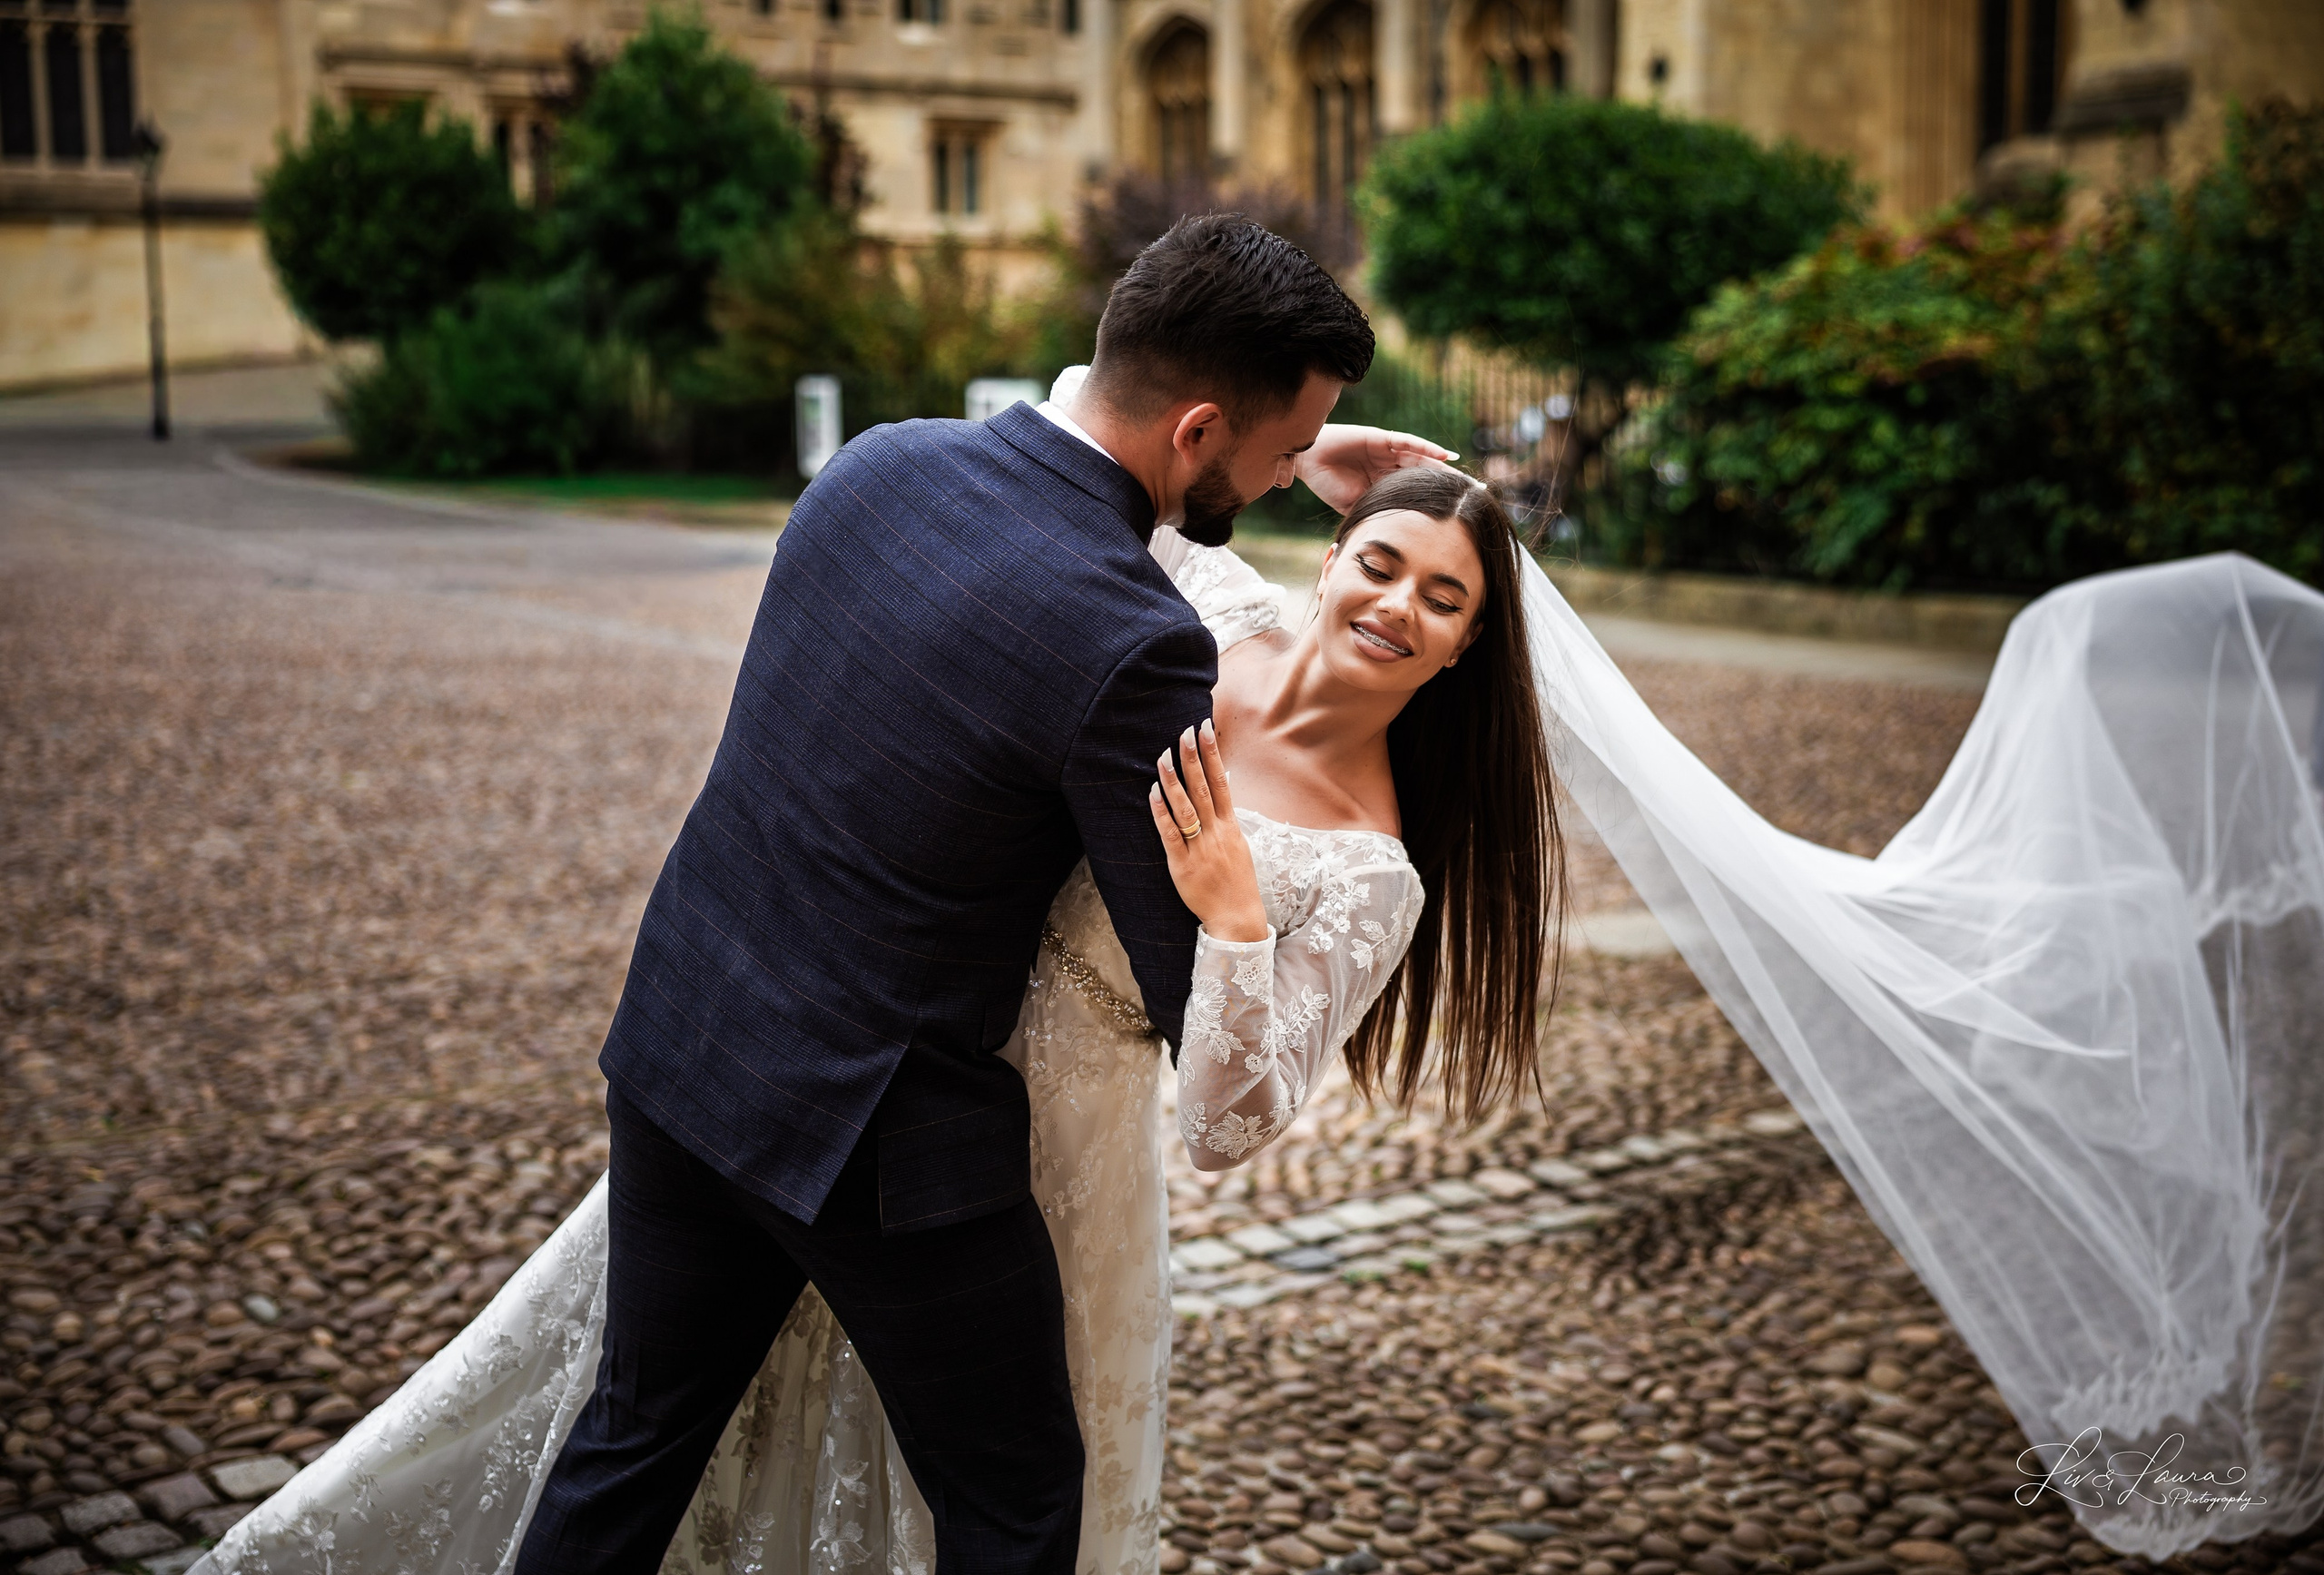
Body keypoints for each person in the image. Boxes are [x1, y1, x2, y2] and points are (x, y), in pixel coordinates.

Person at [190, 216, 1473, 1575]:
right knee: (1022, 1504)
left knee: (634, 1443)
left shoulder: (877, 463)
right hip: (879, 1140)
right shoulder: (1136, 641)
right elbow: (1181, 998)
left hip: (684, 1044)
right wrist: (1233, 909)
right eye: (1279, 459)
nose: (1288, 485)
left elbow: (1075, 509)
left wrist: (1274, 450)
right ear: (1203, 431)